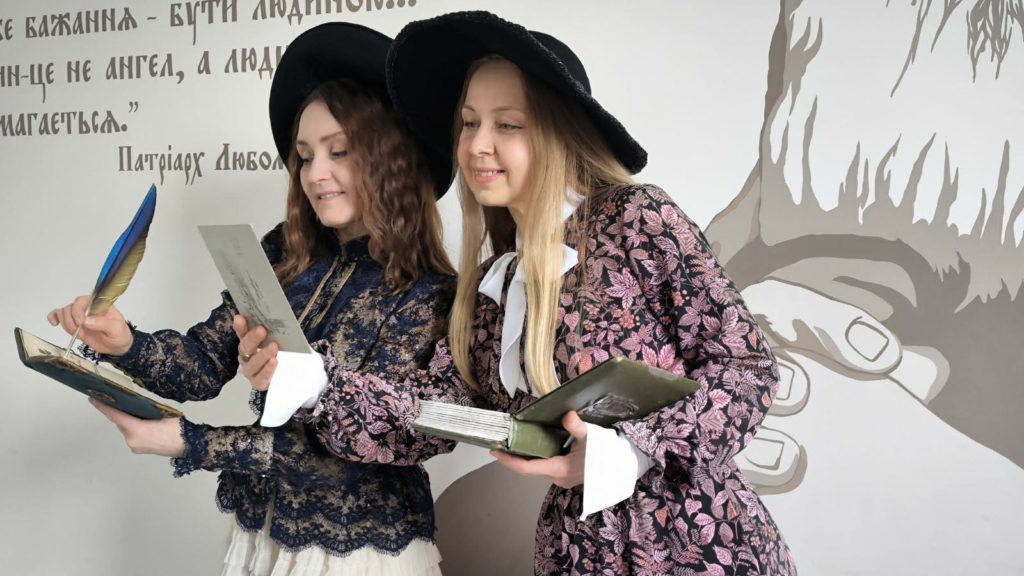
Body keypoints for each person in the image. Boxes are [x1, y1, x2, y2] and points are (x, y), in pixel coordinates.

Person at [236, 11, 796, 575]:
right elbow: (424, 419)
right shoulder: (488, 290)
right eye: (468, 123)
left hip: (699, 544)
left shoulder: (634, 218)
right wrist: (315, 382)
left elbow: (746, 367)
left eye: (507, 125)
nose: (477, 145)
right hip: (576, 554)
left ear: (557, 131)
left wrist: (631, 449)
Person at [47, 22, 456, 576]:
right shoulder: (284, 252)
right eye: (305, 156)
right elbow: (199, 367)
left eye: (339, 152)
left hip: (361, 554)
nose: (316, 174)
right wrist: (123, 343)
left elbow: (348, 457)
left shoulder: (430, 293)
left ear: (393, 160)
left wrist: (188, 442)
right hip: (260, 537)